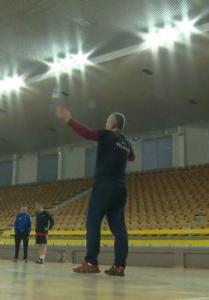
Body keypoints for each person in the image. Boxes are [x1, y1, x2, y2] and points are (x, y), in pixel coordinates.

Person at [56, 106, 135, 276]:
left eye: (107, 121)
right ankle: (119, 266)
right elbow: (132, 157)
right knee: (119, 229)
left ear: (113, 123)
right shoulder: (126, 142)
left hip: (104, 186)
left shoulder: (107, 135)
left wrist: (70, 120)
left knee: (93, 224)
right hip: (120, 188)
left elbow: (88, 134)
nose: (105, 123)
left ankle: (91, 262)